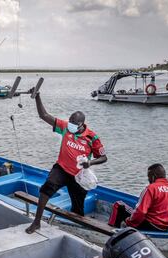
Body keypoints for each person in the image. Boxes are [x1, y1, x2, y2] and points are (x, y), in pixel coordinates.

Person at [25, 93, 107, 234]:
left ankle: (78, 231)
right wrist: (38, 96)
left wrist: (90, 162)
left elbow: (104, 157)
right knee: (45, 190)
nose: (70, 125)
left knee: (78, 207)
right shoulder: (65, 128)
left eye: (73, 123)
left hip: (79, 175)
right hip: (61, 169)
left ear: (81, 124)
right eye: (70, 121)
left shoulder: (92, 137)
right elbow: (43, 115)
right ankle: (36, 222)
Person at [123, 164, 168, 232]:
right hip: (164, 228)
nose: (148, 179)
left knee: (119, 205)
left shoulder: (151, 188)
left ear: (153, 176)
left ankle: (113, 232)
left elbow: (141, 211)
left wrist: (128, 223)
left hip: (149, 225)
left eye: (149, 176)